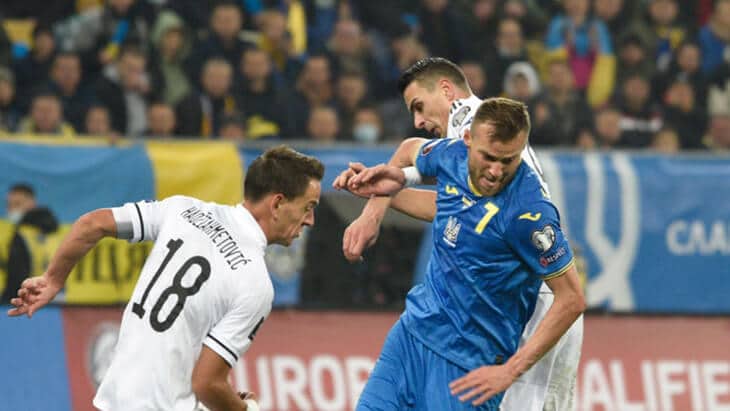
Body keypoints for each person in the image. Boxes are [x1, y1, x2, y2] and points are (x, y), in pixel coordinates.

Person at [338, 57, 583, 410]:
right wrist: (378, 204)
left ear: (446, 90)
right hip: (434, 325)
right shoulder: (462, 143)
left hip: (531, 306)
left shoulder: (517, 193)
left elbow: (568, 294)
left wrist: (379, 207)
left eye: (419, 106)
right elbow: (442, 190)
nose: (418, 121)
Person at [8, 146, 324, 411]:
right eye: (308, 207)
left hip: (116, 399)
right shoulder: (255, 283)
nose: (310, 220)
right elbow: (207, 384)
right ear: (277, 203)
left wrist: (53, 279)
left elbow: (93, 224)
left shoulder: (183, 209)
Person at [0, 184, 58, 304]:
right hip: (49, 300)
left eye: (17, 204)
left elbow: (17, 275)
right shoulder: (13, 233)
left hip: (33, 301)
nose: (12, 209)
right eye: (9, 205)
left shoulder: (21, 236)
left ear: (32, 203)